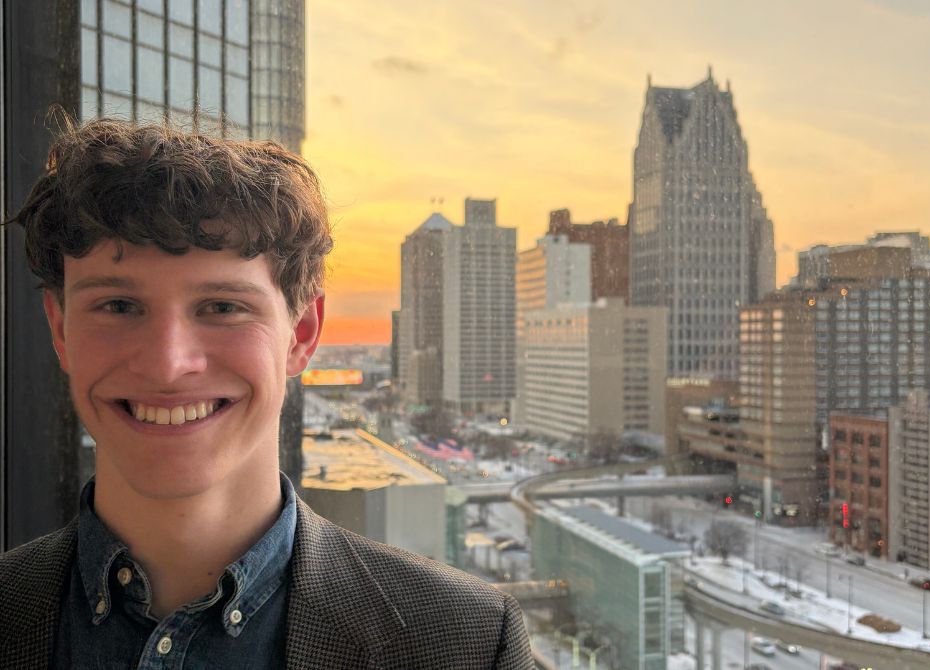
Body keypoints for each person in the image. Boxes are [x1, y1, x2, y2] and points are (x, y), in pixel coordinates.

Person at [0, 118, 532, 669]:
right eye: (117, 306)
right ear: (61, 331)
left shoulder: (465, 644)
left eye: (223, 307)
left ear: (301, 334)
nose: (167, 364)